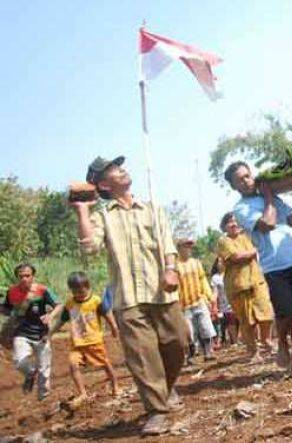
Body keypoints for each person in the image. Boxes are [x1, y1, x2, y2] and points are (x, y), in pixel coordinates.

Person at [72, 156, 189, 435]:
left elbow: (168, 244)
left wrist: (171, 270)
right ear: (102, 183)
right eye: (114, 169)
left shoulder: (152, 208)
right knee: (142, 355)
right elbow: (90, 248)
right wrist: (82, 211)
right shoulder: (103, 216)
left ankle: (166, 388)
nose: (122, 170)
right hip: (128, 299)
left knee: (178, 344)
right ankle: (157, 410)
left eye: (121, 167)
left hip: (162, 292)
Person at [226, 161, 292, 374]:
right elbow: (268, 224)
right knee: (285, 313)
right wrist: (268, 196)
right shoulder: (241, 208)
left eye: (247, 176)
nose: (246, 181)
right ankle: (281, 344)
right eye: (240, 180)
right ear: (234, 187)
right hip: (273, 267)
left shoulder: (274, 198)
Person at [46, 271, 119, 410]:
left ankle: (115, 384)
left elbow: (107, 313)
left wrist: (114, 327)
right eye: (75, 291)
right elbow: (61, 321)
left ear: (88, 287)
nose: (78, 294)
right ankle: (82, 392)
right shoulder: (70, 303)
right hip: (77, 342)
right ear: (71, 290)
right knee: (73, 364)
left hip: (94, 341)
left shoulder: (96, 301)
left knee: (104, 364)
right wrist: (50, 333)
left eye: (81, 290)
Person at [216, 212, 275, 361]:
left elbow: (261, 247)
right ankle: (252, 351)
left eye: (236, 221)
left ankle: (267, 342)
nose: (234, 224)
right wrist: (254, 251)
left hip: (257, 280)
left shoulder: (248, 236)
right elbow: (235, 257)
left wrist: (250, 252)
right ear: (224, 226)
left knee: (266, 313)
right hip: (238, 286)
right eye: (230, 222)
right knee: (247, 320)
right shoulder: (223, 241)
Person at [1, 263, 61, 400]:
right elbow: (6, 309)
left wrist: (50, 316)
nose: (24, 279)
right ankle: (30, 373)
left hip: (41, 334)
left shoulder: (42, 290)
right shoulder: (12, 292)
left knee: (44, 370)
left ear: (33, 276)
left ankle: (43, 399)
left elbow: (58, 305)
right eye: (21, 276)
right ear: (17, 277)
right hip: (21, 333)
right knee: (19, 361)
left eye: (27, 276)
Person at [175, 238, 217, 363]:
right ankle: (190, 356)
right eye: (185, 246)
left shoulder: (196, 263)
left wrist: (210, 297)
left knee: (206, 327)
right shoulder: (176, 266)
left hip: (199, 301)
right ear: (179, 248)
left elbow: (203, 280)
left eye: (189, 247)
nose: (188, 249)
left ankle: (208, 352)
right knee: (189, 332)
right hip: (184, 305)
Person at [210, 257, 237, 347]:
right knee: (230, 322)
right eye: (218, 262)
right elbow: (215, 293)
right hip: (224, 305)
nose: (220, 264)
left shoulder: (232, 273)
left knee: (236, 322)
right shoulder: (215, 278)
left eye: (222, 262)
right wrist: (214, 306)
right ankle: (234, 342)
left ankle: (236, 340)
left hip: (235, 301)